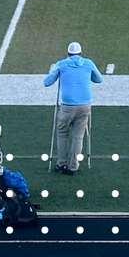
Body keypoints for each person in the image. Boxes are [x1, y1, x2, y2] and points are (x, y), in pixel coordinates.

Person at [44, 42, 103, 176]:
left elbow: (47, 82)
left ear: (68, 53)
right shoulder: (88, 63)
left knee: (62, 133)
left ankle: (62, 164)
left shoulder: (61, 64)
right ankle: (73, 166)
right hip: (84, 105)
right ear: (81, 53)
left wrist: (53, 71)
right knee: (78, 136)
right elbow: (98, 79)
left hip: (67, 105)